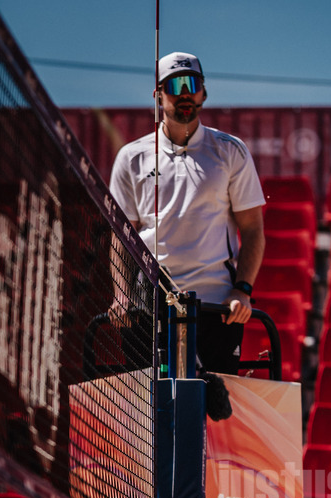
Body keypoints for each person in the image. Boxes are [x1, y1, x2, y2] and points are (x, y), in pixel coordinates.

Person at [108, 51, 265, 374]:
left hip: (217, 308)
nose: (184, 93)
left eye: (191, 83)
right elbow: (121, 238)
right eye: (174, 85)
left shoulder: (230, 151)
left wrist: (242, 290)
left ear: (203, 92)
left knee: (214, 413)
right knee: (147, 418)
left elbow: (252, 229)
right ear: (158, 95)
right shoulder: (132, 157)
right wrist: (122, 296)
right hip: (148, 306)